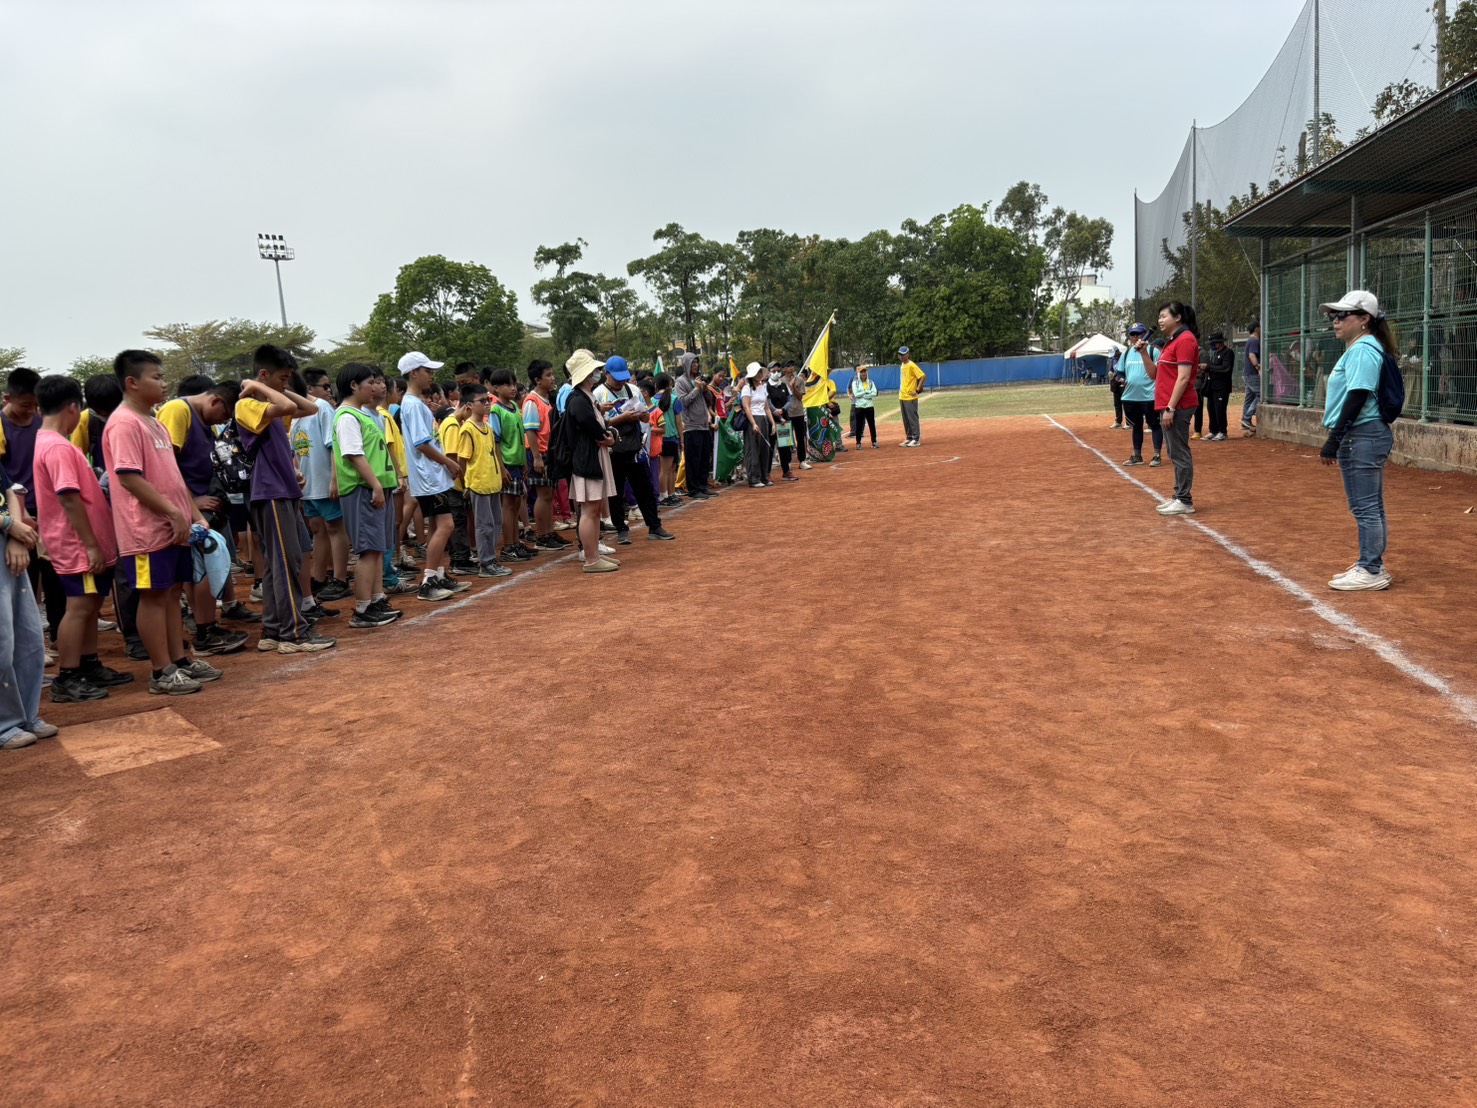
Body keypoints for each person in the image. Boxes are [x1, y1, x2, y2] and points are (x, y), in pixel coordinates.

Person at [105, 350, 222, 694]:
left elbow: (172, 477)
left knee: (171, 595)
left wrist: (193, 514)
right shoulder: (124, 422)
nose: (163, 382)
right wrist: (172, 513)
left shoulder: (154, 421)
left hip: (176, 526)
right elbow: (128, 477)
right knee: (154, 597)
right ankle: (161, 671)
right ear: (132, 382)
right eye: (156, 376)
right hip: (144, 531)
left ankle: (179, 661)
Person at [32, 375, 131, 703]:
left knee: (88, 606)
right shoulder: (58, 446)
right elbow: (69, 498)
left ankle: (88, 664)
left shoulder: (48, 441)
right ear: (74, 408)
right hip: (76, 543)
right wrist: (90, 545)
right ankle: (69, 676)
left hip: (79, 541)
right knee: (79, 607)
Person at [237, 345, 338, 653]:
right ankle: (293, 632)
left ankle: (272, 629)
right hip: (271, 492)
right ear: (264, 374)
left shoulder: (269, 400)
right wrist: (257, 386)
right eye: (282, 378)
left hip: (283, 488)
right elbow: (284, 406)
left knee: (284, 562)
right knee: (285, 563)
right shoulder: (248, 406)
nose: (285, 385)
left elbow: (309, 409)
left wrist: (275, 385)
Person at [156, 377, 250, 656]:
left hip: (198, 503)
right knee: (206, 565)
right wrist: (192, 503)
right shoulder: (178, 410)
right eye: (224, 413)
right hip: (188, 507)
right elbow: (167, 465)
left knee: (197, 568)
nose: (222, 420)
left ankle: (205, 627)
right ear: (216, 401)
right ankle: (206, 631)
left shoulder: (201, 418)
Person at [1318, 291, 1396, 592]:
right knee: (1371, 506)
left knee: (1365, 507)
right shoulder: (1362, 346)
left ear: (1364, 320)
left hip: (1362, 435)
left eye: (1342, 315)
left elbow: (1357, 395)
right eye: (1333, 316)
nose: (1335, 321)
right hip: (1365, 434)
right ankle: (1371, 562)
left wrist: (1333, 439)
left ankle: (1371, 569)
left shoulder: (1364, 349)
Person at [331, 363, 404, 628]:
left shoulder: (361, 414)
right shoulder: (347, 416)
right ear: (354, 385)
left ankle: (376, 598)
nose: (376, 387)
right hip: (363, 489)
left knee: (376, 548)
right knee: (368, 550)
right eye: (370, 382)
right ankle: (363, 609)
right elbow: (353, 455)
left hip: (375, 486)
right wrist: (374, 485)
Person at [1, 367, 65, 646]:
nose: (31, 411)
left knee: (56, 578)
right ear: (8, 398)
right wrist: (19, 515)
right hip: (17, 515)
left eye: (35, 405)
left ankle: (61, 638)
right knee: (26, 579)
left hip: (48, 512)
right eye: (26, 405)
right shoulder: (1, 426)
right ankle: (30, 641)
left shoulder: (42, 424)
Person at [397, 351, 466, 601]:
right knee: (446, 525)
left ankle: (438, 573)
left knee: (439, 524)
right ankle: (428, 580)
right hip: (428, 476)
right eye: (427, 371)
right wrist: (448, 462)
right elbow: (421, 443)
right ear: (414, 373)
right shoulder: (413, 404)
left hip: (431, 475)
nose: (431, 376)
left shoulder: (414, 403)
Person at [597, 356, 674, 544]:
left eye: (624, 377)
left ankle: (654, 525)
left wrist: (643, 415)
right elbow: (599, 424)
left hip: (635, 447)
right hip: (613, 450)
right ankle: (621, 528)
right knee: (616, 491)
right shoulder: (598, 393)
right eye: (616, 378)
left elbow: (646, 420)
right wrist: (623, 418)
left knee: (645, 488)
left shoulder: (633, 390)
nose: (621, 381)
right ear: (607, 374)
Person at [293, 368, 352, 601]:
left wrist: (335, 480)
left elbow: (333, 446)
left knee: (335, 528)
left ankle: (340, 579)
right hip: (309, 484)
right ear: (309, 387)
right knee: (317, 528)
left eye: (329, 386)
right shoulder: (295, 411)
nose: (330, 391)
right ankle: (319, 577)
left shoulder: (322, 408)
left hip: (325, 481)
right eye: (325, 386)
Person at [0, 484, 51, 748]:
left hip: (8, 538)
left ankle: (26, 716)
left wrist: (15, 534)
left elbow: (8, 488)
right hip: (6, 528)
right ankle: (4, 724)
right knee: (2, 644)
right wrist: (9, 524)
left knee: (28, 636)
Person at [563, 350, 620, 574]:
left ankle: (594, 554)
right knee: (589, 510)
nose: (597, 373)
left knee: (594, 509)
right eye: (594, 370)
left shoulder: (585, 397)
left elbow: (599, 425)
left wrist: (608, 434)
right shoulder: (578, 399)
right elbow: (592, 426)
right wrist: (606, 436)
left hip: (592, 457)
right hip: (587, 460)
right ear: (586, 373)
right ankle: (591, 559)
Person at [449, 382, 511, 579]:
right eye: (482, 401)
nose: (487, 404)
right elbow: (463, 459)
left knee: (496, 523)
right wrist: (467, 483)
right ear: (469, 405)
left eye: (488, 400)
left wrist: (501, 470)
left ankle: (491, 558)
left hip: (492, 482)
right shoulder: (468, 429)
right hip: (479, 484)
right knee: (484, 525)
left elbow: (494, 452)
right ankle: (486, 562)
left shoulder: (487, 427)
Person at [1146, 302, 1200, 516]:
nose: (1160, 320)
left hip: (1178, 405)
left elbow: (1184, 377)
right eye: (1159, 316)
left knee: (1179, 452)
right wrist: (1143, 353)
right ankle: (1179, 496)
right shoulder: (1171, 343)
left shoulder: (1186, 340)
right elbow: (1154, 375)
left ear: (1177, 318)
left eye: (1163, 316)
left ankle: (1185, 500)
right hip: (1168, 405)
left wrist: (1171, 407)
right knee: (1174, 452)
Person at [523, 360, 569, 552]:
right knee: (543, 495)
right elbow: (530, 431)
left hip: (548, 452)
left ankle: (549, 532)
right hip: (539, 453)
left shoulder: (546, 399)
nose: (553, 378)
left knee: (549, 495)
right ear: (537, 380)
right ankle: (542, 536)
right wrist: (537, 458)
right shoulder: (532, 401)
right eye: (548, 375)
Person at [1119, 324, 1163, 468]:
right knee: (1136, 426)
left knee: (1155, 425)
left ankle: (1157, 455)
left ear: (1145, 334)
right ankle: (1137, 455)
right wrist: (1119, 379)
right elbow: (1120, 372)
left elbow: (1160, 372)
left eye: (1139, 334)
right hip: (1130, 396)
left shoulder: (1153, 351)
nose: (1135, 337)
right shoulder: (1126, 353)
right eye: (1132, 334)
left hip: (1149, 396)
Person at [674, 353, 713, 499]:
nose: (696, 365)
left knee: (704, 457)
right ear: (686, 364)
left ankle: (703, 486)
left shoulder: (699, 379)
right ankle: (694, 489)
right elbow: (682, 402)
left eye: (697, 362)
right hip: (691, 426)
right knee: (693, 459)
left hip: (703, 425)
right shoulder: (680, 382)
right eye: (693, 363)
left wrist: (705, 389)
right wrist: (696, 389)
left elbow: (709, 401)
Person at [741, 363, 779, 487]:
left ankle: (763, 476)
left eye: (760, 372)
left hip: (763, 418)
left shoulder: (763, 387)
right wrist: (753, 423)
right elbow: (746, 407)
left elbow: (767, 407)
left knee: (764, 449)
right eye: (756, 373)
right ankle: (754, 478)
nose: (759, 375)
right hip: (753, 418)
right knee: (753, 448)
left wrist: (773, 423)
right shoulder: (747, 388)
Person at [654, 373, 684, 506]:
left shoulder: (653, 399)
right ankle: (663, 495)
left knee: (669, 468)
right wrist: (682, 439)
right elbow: (679, 422)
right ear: (670, 384)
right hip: (671, 437)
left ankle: (670, 494)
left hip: (659, 438)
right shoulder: (674, 399)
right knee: (667, 469)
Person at [1203, 332, 1235, 441]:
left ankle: (1222, 431)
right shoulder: (1216, 354)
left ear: (1218, 343)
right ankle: (1213, 430)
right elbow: (1214, 367)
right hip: (1213, 386)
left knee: (1220, 409)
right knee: (1211, 408)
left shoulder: (1228, 353)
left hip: (1222, 387)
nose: (1212, 346)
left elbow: (1225, 368)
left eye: (1213, 343)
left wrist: (1209, 367)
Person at [783, 362, 812, 470]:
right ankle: (787, 461)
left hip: (798, 412)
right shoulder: (781, 382)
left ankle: (802, 460)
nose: (790, 368)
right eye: (787, 366)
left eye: (791, 366)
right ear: (784, 369)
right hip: (787, 413)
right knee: (786, 439)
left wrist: (793, 387)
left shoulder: (799, 380)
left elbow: (800, 397)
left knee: (801, 437)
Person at [898, 346, 925, 447]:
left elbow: (922, 376)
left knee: (912, 418)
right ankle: (909, 438)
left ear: (908, 354)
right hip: (902, 396)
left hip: (910, 397)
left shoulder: (911, 365)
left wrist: (917, 390)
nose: (901, 356)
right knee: (906, 419)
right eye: (900, 354)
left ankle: (916, 439)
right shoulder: (902, 365)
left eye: (903, 354)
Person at [850, 365, 879, 449]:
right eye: (861, 372)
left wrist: (863, 393)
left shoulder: (870, 382)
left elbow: (874, 393)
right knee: (859, 425)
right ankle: (858, 443)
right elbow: (856, 394)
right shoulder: (855, 383)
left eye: (865, 371)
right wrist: (866, 392)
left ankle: (874, 442)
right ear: (858, 373)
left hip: (869, 406)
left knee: (872, 425)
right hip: (859, 406)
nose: (863, 373)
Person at [1242, 321, 1262, 435]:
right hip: (1252, 373)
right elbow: (1252, 355)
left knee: (1249, 397)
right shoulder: (1254, 341)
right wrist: (1257, 366)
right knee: (1260, 394)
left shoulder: (1250, 340)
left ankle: (1245, 421)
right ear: (1256, 329)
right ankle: (1247, 417)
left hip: (1248, 373)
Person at [1108, 351, 1127, 429]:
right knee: (1117, 403)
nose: (1115, 359)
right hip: (1115, 383)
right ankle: (1118, 421)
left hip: (1122, 382)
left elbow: (1124, 371)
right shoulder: (1113, 360)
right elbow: (1112, 369)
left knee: (1125, 403)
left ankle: (1129, 422)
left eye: (1116, 357)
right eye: (1114, 358)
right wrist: (1110, 373)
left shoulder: (1124, 359)